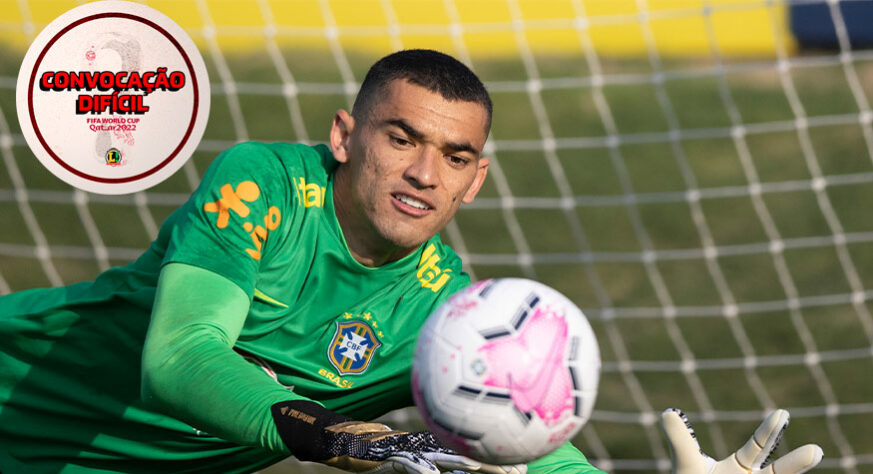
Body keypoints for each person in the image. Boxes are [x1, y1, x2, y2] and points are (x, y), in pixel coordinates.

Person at [0, 49, 822, 474]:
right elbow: (178, 359)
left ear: (476, 180)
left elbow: (532, 453)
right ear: (343, 136)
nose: (425, 174)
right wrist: (341, 436)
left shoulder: (450, 319)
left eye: (455, 156)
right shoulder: (265, 187)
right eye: (401, 139)